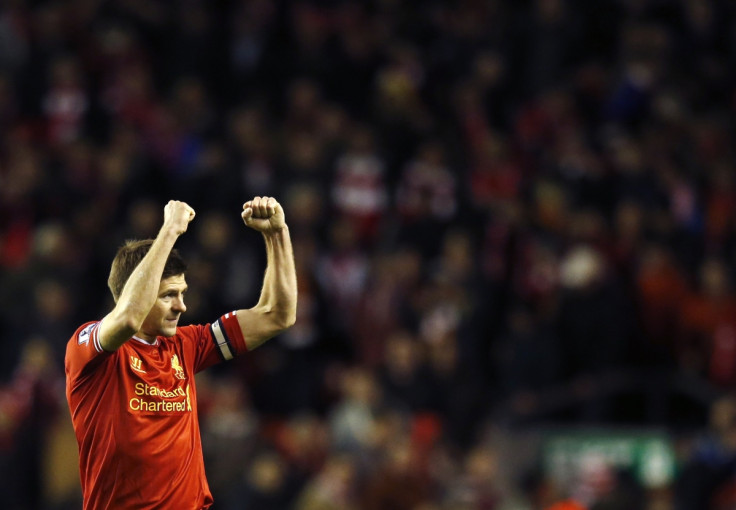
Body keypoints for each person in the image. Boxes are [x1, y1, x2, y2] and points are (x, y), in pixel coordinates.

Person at [64, 197, 297, 509]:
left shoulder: (187, 345)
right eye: (168, 295)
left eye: (182, 293)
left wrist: (277, 234)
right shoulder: (88, 349)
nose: (181, 306)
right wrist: (170, 230)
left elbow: (277, 315)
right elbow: (129, 317)